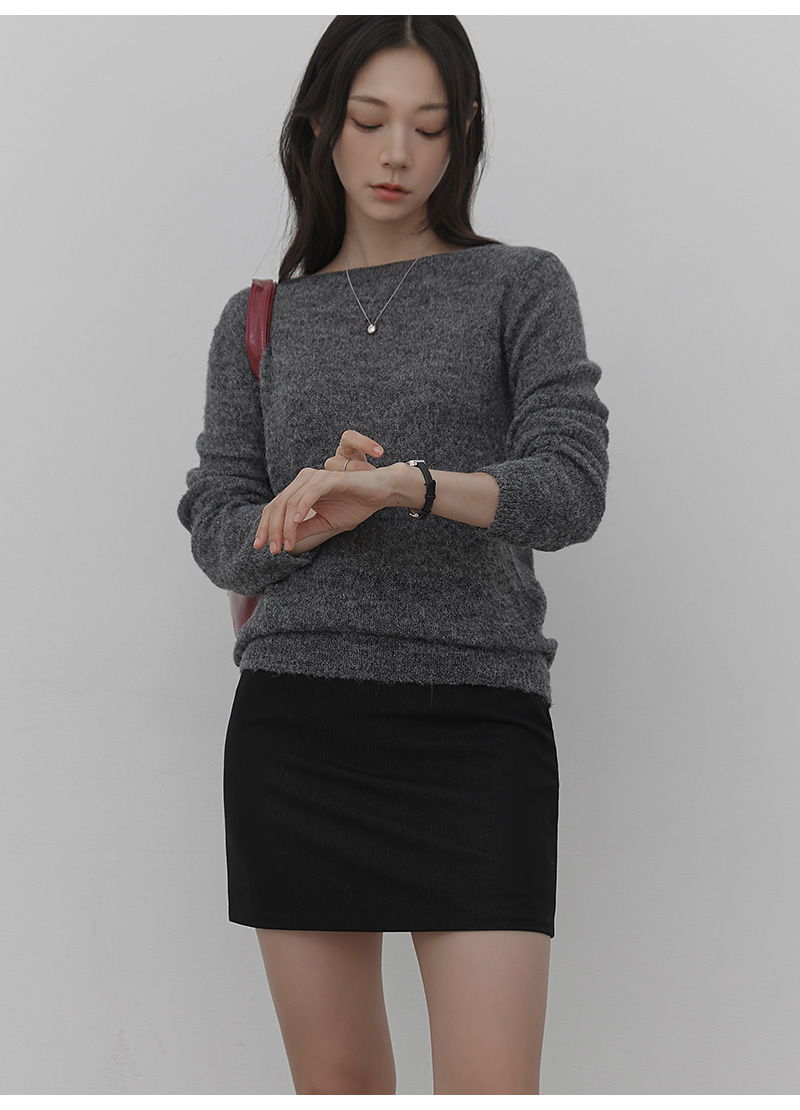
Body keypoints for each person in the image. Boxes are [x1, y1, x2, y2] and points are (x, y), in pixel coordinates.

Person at [176, 14, 610, 1096]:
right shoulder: (258, 319)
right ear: (321, 125)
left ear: (463, 133)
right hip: (297, 725)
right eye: (369, 121)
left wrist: (401, 486)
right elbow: (218, 526)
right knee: (339, 1089)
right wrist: (307, 522)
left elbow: (569, 489)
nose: (396, 154)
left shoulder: (521, 285)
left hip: (478, 725)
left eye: (428, 126)